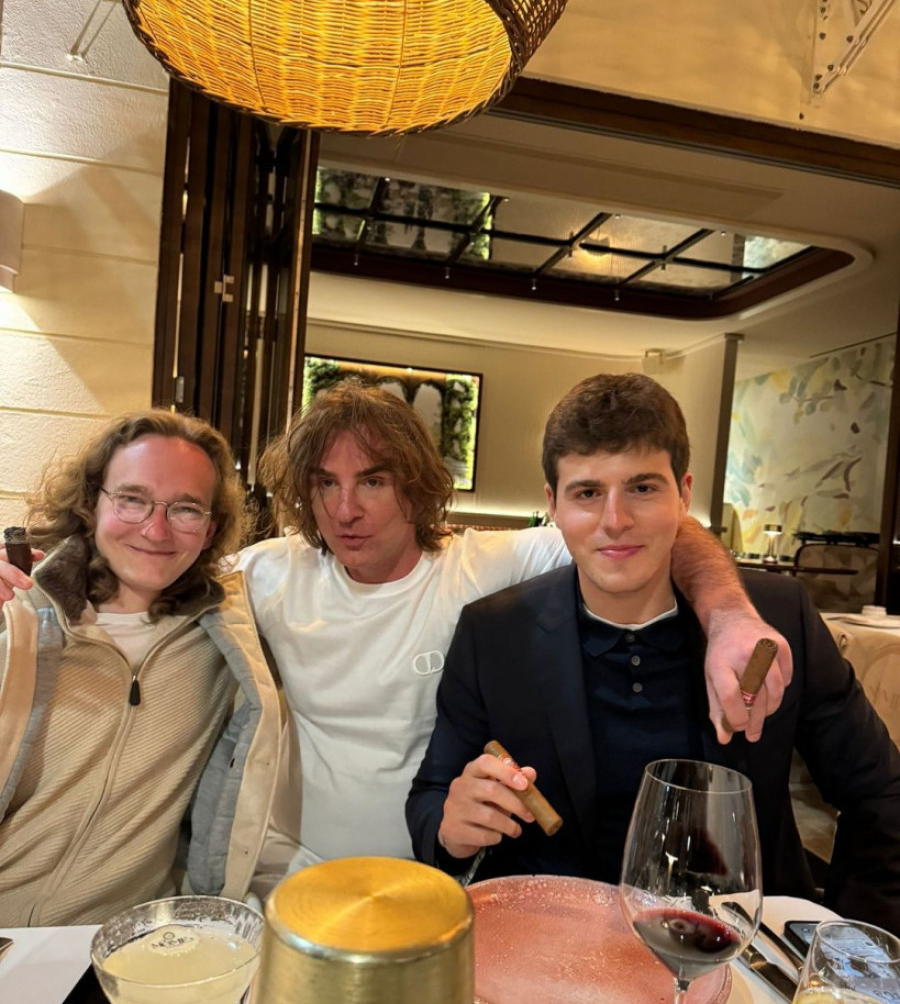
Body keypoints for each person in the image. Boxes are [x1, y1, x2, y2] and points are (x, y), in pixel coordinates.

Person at [406, 373, 900, 931]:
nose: (615, 520)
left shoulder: (776, 619)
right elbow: (431, 797)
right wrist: (451, 828)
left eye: (642, 488)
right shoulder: (494, 633)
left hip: (740, 943)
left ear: (683, 495)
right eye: (587, 493)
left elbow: (881, 794)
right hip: (557, 938)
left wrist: (852, 948)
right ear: (553, 504)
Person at [240, 379, 791, 872]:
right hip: (296, 865)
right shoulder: (270, 573)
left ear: (415, 485)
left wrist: (729, 617)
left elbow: (655, 533)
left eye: (373, 481)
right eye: (324, 483)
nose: (344, 510)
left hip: (436, 874)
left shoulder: (486, 566)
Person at [0, 410, 296, 927]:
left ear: (209, 530)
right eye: (132, 499)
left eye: (185, 509)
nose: (156, 530)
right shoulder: (16, 618)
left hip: (127, 944)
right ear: (92, 504)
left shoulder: (228, 646)